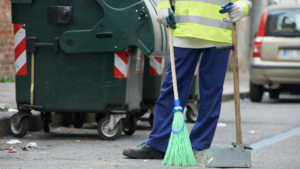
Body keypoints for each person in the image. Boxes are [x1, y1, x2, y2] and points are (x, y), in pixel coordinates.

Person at [123, 0, 252, 159]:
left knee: (211, 92)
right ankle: (158, 144)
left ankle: (199, 145)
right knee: (172, 88)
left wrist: (243, 7)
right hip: (184, 30)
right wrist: (163, 5)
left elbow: (247, 2)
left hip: (219, 33)